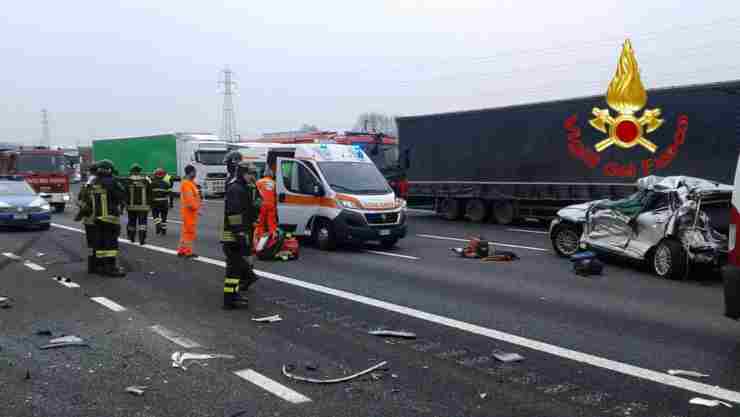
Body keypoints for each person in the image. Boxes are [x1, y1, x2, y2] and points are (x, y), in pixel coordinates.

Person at [221, 161, 260, 309]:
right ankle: (230, 301)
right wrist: (240, 232)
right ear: (243, 173)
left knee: (235, 269)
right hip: (233, 236)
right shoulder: (236, 189)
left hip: (239, 233)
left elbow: (250, 209)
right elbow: (234, 213)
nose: (253, 177)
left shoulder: (243, 188)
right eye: (250, 174)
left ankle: (233, 296)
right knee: (233, 270)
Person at [85, 159, 127, 277]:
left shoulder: (93, 181)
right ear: (109, 169)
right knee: (111, 243)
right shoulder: (113, 181)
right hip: (110, 218)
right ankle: (111, 268)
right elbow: (121, 196)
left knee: (100, 243)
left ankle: (101, 267)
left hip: (97, 218)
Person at [75, 162, 99, 273]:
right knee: (101, 242)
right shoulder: (102, 183)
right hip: (101, 219)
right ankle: (100, 265)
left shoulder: (86, 185)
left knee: (90, 244)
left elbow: (78, 200)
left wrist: (83, 208)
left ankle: (91, 266)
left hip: (89, 219)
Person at [124, 164, 152, 245]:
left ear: (132, 171)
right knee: (142, 223)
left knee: (132, 222)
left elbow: (125, 193)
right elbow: (150, 192)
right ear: (140, 171)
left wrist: (125, 204)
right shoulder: (146, 180)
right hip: (143, 206)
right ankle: (142, 239)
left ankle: (131, 237)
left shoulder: (128, 180)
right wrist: (150, 204)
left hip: (131, 206)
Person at [177, 164, 201, 257]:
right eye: (194, 172)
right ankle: (188, 252)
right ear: (191, 172)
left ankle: (182, 250)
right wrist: (195, 208)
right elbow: (189, 199)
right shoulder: (187, 183)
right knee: (189, 232)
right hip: (189, 211)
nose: (195, 174)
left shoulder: (190, 183)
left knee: (185, 232)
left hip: (190, 211)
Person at [254, 162, 278, 240]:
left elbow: (255, 194)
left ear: (264, 174)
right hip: (271, 205)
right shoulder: (274, 183)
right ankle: (273, 239)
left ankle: (259, 239)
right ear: (272, 175)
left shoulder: (258, 182)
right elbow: (275, 195)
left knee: (260, 223)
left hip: (262, 205)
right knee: (272, 223)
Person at [150, 168, 172, 235]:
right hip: (164, 202)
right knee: (164, 217)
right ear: (163, 175)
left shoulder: (152, 184)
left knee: (155, 215)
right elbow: (170, 194)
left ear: (155, 175)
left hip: (155, 202)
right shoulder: (166, 184)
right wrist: (170, 203)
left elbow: (149, 194)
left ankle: (157, 224)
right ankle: (163, 230)